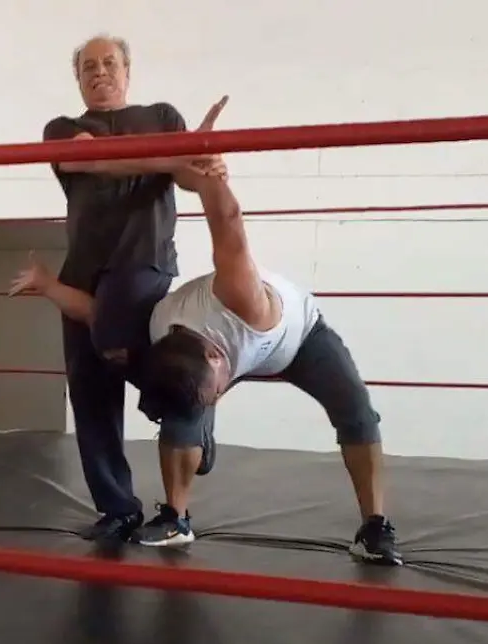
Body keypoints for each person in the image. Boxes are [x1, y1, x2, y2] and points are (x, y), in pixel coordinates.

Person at [14, 33, 225, 545]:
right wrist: (172, 159)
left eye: (109, 63)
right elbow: (89, 160)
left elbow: (191, 179)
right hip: (83, 270)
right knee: (90, 393)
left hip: (141, 263)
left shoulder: (162, 116)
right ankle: (118, 508)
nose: (99, 72)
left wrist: (206, 164)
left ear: (127, 71)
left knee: (131, 349)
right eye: (88, 66)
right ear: (78, 78)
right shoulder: (61, 128)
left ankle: (191, 406)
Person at [134, 171, 403, 566]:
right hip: (218, 354)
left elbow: (228, 223)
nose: (218, 398)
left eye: (217, 392)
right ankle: (176, 518)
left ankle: (374, 527)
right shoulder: (162, 333)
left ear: (216, 357)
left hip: (297, 338)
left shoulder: (241, 298)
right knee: (180, 411)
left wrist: (206, 179)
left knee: (357, 412)